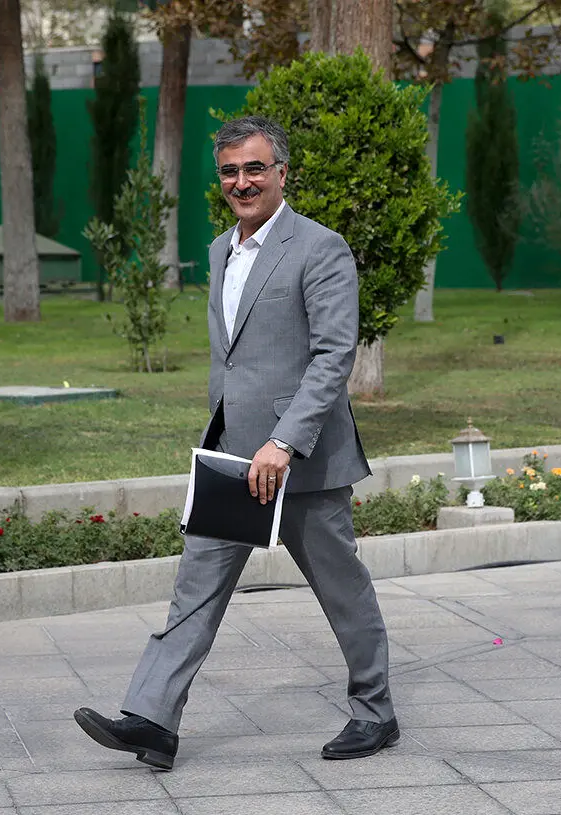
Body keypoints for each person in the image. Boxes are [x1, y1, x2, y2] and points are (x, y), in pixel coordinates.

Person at [74, 115, 397, 770]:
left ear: (282, 172)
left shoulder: (321, 247)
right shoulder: (222, 250)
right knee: (194, 588)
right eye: (229, 171)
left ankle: (375, 711)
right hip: (231, 457)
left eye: (254, 168)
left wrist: (285, 442)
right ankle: (153, 720)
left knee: (342, 589)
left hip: (301, 460)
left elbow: (334, 356)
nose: (241, 182)